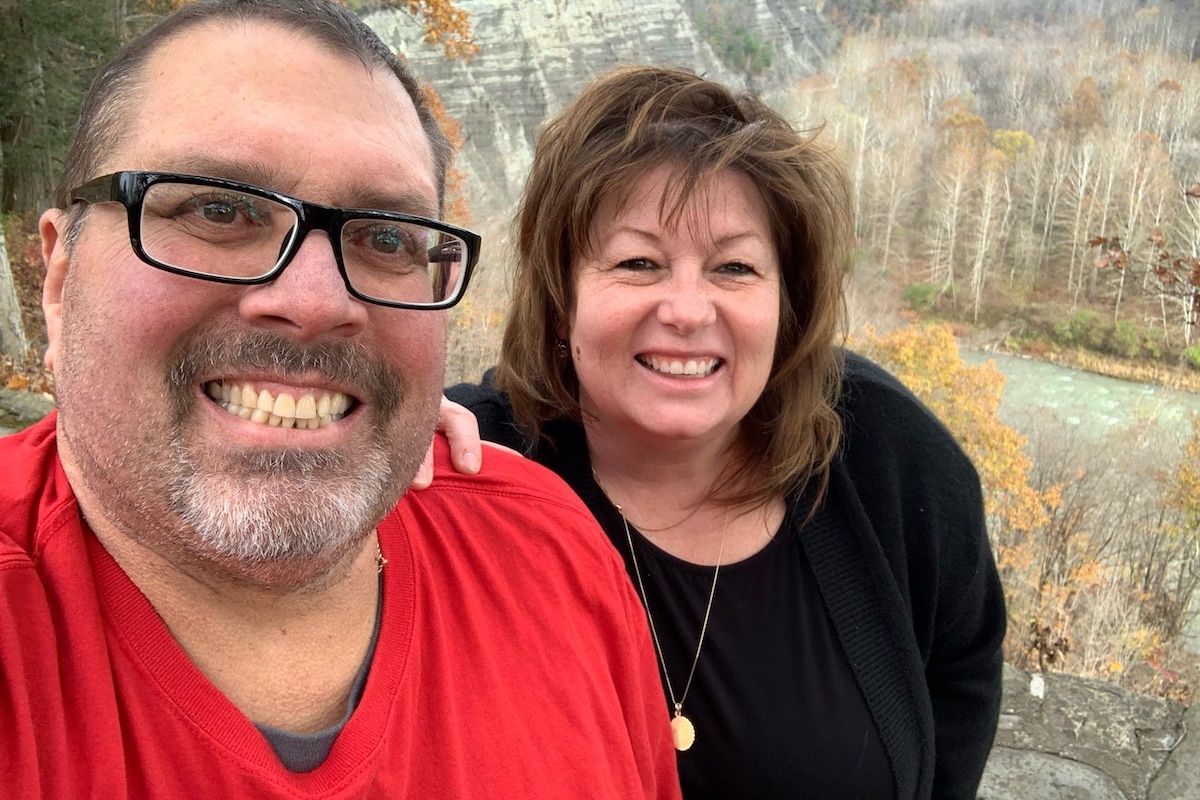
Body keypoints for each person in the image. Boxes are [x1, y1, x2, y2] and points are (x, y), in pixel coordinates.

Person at [0, 3, 682, 797]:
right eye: (218, 209)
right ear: (58, 278)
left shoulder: (551, 556)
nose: (317, 301)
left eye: (387, 237)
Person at [444, 65, 1006, 799]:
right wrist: (377, 443)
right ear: (561, 301)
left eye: (734, 267)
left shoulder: (886, 454)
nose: (686, 309)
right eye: (638, 262)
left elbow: (962, 659)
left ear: (786, 305)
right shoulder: (471, 470)